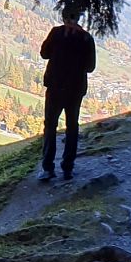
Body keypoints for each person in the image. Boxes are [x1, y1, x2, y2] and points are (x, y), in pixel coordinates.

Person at [38, 10, 96, 181]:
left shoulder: (56, 33)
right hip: (76, 88)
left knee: (50, 126)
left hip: (55, 86)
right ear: (78, 18)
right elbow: (90, 67)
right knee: (72, 126)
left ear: (63, 18)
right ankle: (68, 168)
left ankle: (48, 167)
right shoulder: (86, 38)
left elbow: (44, 54)